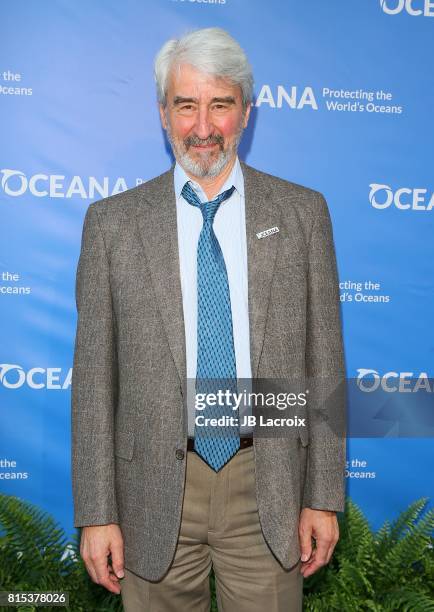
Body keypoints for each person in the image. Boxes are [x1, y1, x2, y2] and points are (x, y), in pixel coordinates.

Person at [71, 27, 346, 612]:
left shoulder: (302, 213)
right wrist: (97, 513)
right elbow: (94, 382)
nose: (202, 127)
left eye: (220, 104)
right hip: (150, 491)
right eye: (185, 105)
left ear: (245, 112)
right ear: (162, 113)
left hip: (266, 479)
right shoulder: (112, 224)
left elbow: (324, 363)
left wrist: (322, 496)